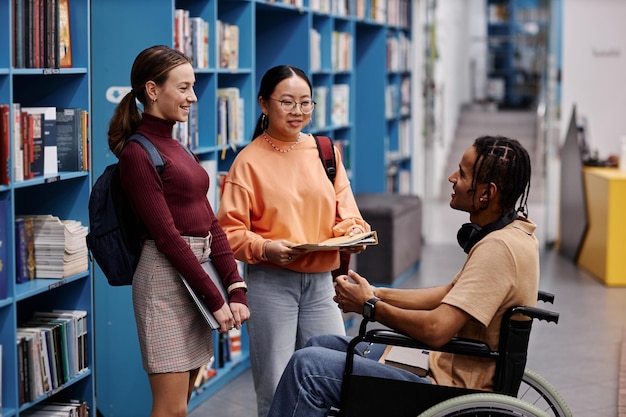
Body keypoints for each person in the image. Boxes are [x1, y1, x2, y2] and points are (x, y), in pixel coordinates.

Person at [266, 135, 539, 417]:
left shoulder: (497, 249)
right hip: (443, 370)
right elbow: (449, 294)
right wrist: (377, 293)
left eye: (463, 173)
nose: (452, 178)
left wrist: (369, 308)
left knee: (307, 368)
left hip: (446, 389)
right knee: (319, 344)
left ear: (487, 193)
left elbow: (436, 330)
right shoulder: (516, 235)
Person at [216, 64, 370, 417]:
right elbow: (229, 232)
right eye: (286, 102)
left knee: (336, 373)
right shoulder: (248, 161)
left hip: (321, 285)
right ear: (264, 105)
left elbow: (347, 213)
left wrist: (352, 234)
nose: (298, 111)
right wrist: (264, 247)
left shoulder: (325, 152)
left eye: (305, 102)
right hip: (271, 283)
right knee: (275, 384)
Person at [107, 45, 250, 417]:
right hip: (165, 286)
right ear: (152, 90)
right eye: (184, 88)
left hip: (196, 275)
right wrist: (215, 300)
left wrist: (235, 286)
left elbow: (210, 221)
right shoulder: (138, 154)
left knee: (182, 404)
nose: (193, 97)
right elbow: (168, 237)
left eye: (193, 87)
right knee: (171, 410)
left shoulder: (176, 145)